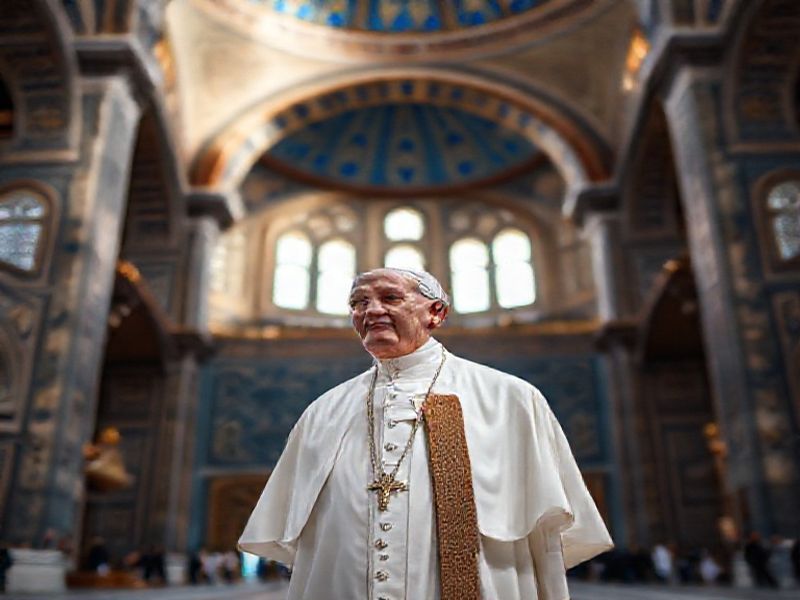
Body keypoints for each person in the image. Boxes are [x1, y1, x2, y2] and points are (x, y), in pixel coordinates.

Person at [239, 268, 613, 599]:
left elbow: (548, 537)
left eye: (389, 298)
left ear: (436, 313)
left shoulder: (510, 398)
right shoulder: (323, 412)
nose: (370, 311)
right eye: (358, 302)